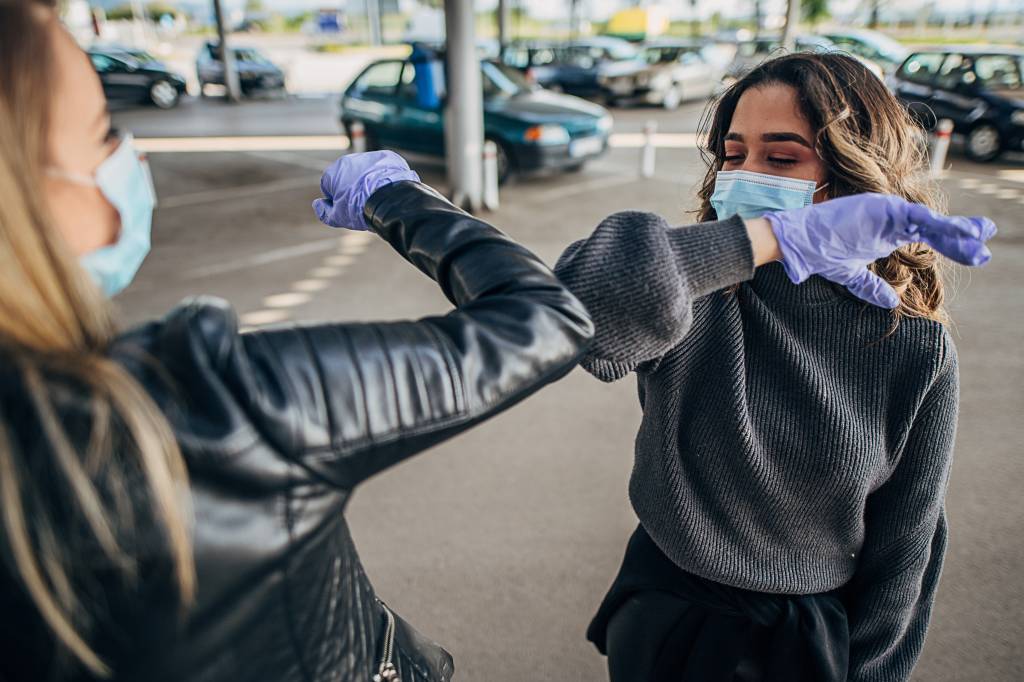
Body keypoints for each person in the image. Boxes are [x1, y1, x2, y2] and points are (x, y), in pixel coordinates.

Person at [0, 3, 594, 680]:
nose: (123, 158)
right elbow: (544, 317)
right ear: (23, 193)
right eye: (104, 133)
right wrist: (394, 196)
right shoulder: (209, 404)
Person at [554, 52, 997, 681]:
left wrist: (871, 671)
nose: (748, 174)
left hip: (800, 642)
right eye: (734, 156)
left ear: (856, 177)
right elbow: (572, 309)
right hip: (663, 609)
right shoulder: (697, 290)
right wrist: (760, 242)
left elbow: (906, 547)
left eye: (782, 158)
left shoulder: (912, 348)